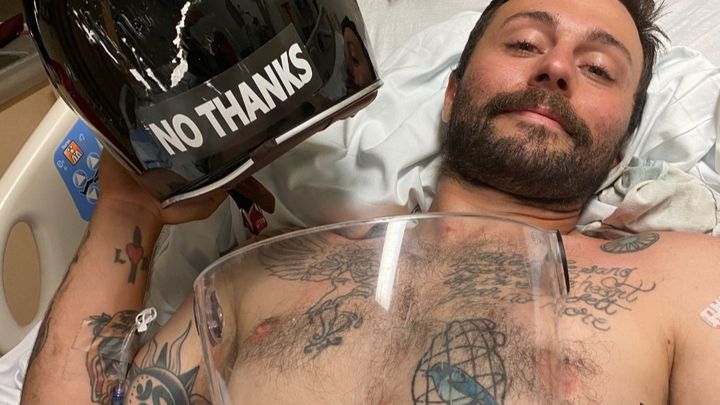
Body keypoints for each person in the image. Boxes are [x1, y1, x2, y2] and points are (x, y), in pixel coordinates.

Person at [20, 0, 720, 403]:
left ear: (621, 147)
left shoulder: (687, 281)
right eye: (525, 42)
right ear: (451, 95)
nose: (556, 66)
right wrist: (129, 205)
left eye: (598, 67)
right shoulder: (265, 275)